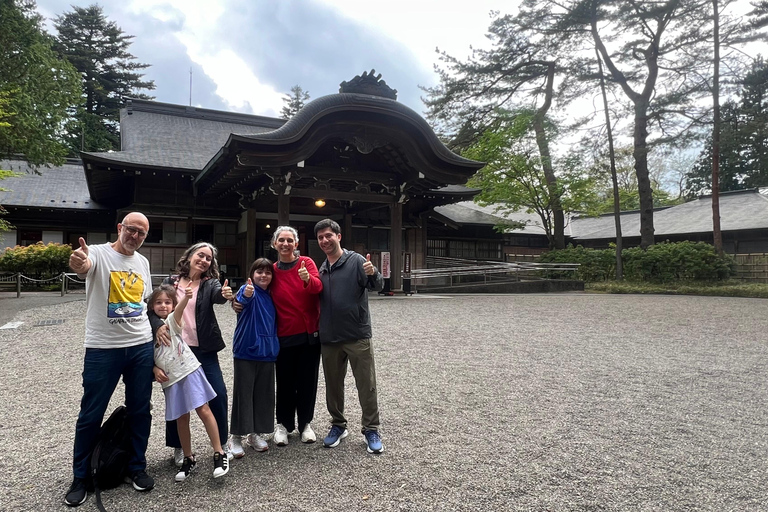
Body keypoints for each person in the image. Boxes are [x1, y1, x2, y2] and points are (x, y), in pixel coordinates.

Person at [64, 212, 156, 507]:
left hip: (140, 346)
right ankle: (81, 476)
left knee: (140, 409)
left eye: (142, 233)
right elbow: (83, 266)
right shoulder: (98, 254)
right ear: (120, 228)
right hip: (103, 347)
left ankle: (135, 466)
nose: (135, 236)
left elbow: (146, 303)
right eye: (131, 230)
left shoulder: (142, 262)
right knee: (91, 412)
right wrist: (79, 262)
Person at [151, 242, 233, 467]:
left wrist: (225, 294)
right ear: (189, 256)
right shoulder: (171, 282)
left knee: (218, 393)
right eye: (200, 255)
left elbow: (218, 295)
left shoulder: (210, 283)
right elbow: (153, 305)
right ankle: (179, 448)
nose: (204, 260)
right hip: (175, 351)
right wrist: (157, 324)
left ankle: (222, 444)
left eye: (208, 258)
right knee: (177, 400)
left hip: (202, 349)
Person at [313, 218, 385, 454]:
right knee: (333, 386)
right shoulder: (321, 268)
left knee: (366, 384)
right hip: (330, 337)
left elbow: (377, 285)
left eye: (328, 235)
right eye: (321, 237)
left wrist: (373, 272)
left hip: (356, 334)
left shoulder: (355, 261)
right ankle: (338, 424)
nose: (325, 240)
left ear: (339, 236)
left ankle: (371, 428)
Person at [269, 226, 323, 446]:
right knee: (284, 381)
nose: (285, 244)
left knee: (307, 381)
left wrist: (307, 278)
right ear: (274, 244)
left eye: (290, 240)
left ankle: (305, 424)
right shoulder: (271, 270)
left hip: (309, 332)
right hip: (283, 333)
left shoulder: (307, 263)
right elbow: (259, 290)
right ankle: (283, 424)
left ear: (296, 244)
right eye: (281, 240)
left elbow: (318, 287)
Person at [228, 259, 280, 455]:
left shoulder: (271, 295)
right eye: (259, 272)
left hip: (267, 351)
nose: (264, 275)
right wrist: (242, 295)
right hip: (247, 349)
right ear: (252, 275)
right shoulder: (248, 290)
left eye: (268, 272)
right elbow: (242, 298)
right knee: (243, 393)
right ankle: (236, 437)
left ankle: (255, 432)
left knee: (263, 394)